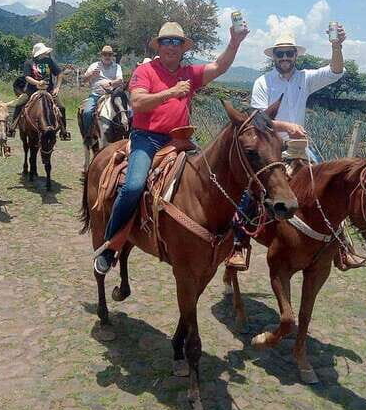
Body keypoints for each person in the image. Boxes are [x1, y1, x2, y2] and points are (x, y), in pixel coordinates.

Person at [93, 20, 249, 275]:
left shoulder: (190, 73)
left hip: (181, 139)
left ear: (182, 48)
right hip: (147, 138)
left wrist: (234, 42)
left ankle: (229, 241)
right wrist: (172, 92)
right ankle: (110, 246)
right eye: (167, 42)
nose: (171, 47)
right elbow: (138, 102)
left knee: (217, 178)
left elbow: (219, 66)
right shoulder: (146, 71)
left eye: (177, 43)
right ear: (159, 45)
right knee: (132, 186)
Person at [225, 26, 347, 271]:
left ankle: (341, 244)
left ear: (295, 55)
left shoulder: (305, 78)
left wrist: (337, 46)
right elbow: (258, 118)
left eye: (288, 53)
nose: (284, 58)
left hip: (297, 146)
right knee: (250, 189)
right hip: (269, 145)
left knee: (329, 186)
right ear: (274, 57)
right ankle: (239, 242)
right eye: (279, 54)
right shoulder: (263, 82)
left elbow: (335, 70)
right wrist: (287, 126)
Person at [14, 42, 70, 140]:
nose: (45, 54)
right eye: (43, 52)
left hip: (49, 90)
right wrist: (37, 83)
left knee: (61, 107)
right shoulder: (29, 62)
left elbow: (59, 74)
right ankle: (12, 127)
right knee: (19, 104)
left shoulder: (49, 61)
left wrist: (57, 88)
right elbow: (27, 77)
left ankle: (63, 131)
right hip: (31, 90)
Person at [81, 45, 124, 133]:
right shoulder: (94, 66)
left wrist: (111, 83)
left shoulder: (117, 67)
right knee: (87, 112)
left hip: (112, 95)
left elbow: (120, 80)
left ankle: (126, 132)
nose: (107, 56)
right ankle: (88, 135)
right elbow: (84, 80)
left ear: (112, 56)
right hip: (96, 95)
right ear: (101, 56)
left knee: (127, 111)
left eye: (109, 55)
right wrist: (91, 75)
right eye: (105, 54)